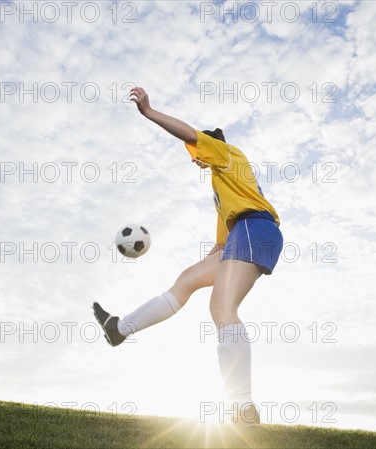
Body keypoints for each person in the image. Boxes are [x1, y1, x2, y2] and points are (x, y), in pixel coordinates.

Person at [93, 86, 284, 426]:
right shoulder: (222, 187)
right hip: (245, 234)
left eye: (195, 153)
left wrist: (149, 112)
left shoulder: (225, 153)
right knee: (186, 281)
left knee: (222, 309)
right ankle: (119, 329)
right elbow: (222, 246)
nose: (194, 158)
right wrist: (210, 258)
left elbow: (188, 132)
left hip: (256, 230)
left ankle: (243, 408)